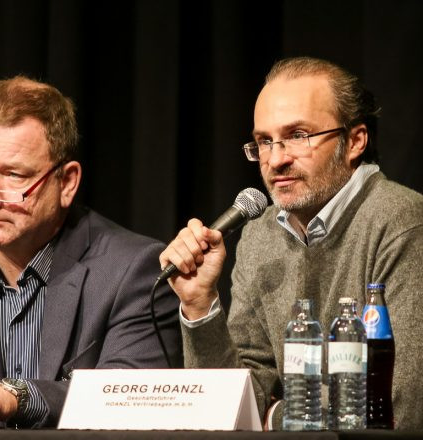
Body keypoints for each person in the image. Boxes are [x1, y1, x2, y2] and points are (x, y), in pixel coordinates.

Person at [159, 56, 423, 430]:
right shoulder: (261, 233)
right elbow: (239, 401)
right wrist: (200, 305)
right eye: (264, 142)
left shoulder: (403, 223)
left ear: (355, 141)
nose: (276, 159)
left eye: (298, 136)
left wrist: (278, 417)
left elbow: (401, 403)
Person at [0, 76, 182, 428]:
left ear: (67, 182)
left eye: (13, 176)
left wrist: (15, 397)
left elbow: (132, 400)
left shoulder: (134, 271)